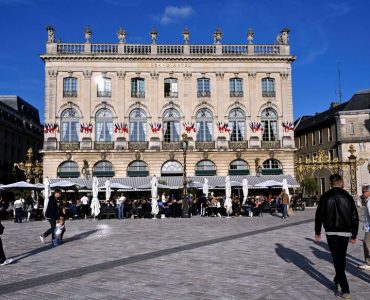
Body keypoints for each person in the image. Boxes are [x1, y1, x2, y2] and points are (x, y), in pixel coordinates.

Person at [315, 174, 359, 299]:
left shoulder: (325, 197)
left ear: (331, 183)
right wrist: (354, 234)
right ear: (340, 182)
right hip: (344, 232)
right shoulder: (348, 197)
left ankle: (338, 280)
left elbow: (319, 216)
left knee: (338, 259)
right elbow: (355, 217)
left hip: (331, 232)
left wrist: (317, 232)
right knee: (340, 258)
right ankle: (345, 289)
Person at [359, 184, 370, 270]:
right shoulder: (368, 201)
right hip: (368, 226)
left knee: (366, 243)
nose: (363, 193)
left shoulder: (369, 202)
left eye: (364, 191)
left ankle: (368, 263)